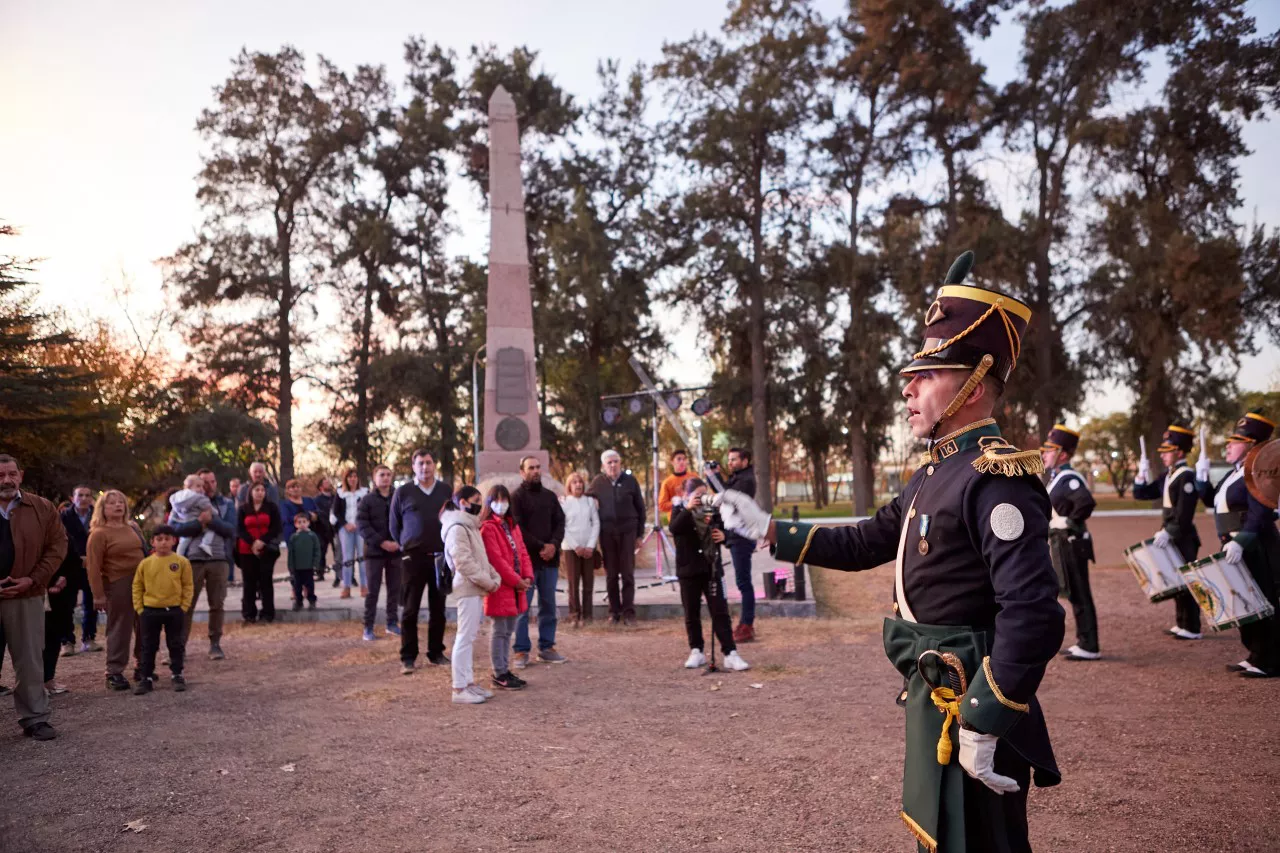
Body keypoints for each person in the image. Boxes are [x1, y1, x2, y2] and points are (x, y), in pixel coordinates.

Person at [716, 253, 1065, 851]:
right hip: (941, 697)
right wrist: (770, 530)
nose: (908, 387)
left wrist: (985, 717)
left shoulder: (994, 478)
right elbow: (866, 540)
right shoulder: (938, 470)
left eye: (928, 375)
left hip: (975, 702)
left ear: (975, 386)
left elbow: (1032, 613)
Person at [1197, 410, 1280, 677]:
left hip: (1254, 544)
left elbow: (1261, 513)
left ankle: (1270, 660)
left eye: (1235, 441)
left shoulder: (1258, 473)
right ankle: (1255, 654)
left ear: (1253, 445)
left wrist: (1241, 541)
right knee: (1243, 601)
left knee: (1262, 600)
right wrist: (1201, 479)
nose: (1228, 445)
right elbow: (1213, 501)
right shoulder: (1235, 472)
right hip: (1233, 545)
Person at [0, 454, 68, 740]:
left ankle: (35, 719)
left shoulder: (41, 507)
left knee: (29, 659)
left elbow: (57, 545)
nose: (6, 480)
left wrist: (34, 578)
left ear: (21, 475)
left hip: (26, 593)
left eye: (12, 474)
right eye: (0, 475)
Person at [669, 478, 749, 672]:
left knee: (720, 611)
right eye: (698, 494)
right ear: (687, 494)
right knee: (691, 612)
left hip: (711, 569)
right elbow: (675, 529)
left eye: (705, 494)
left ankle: (730, 653)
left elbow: (729, 528)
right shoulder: (680, 511)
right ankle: (696, 650)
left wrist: (725, 536)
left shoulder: (714, 510)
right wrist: (688, 508)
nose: (703, 498)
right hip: (688, 570)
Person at [1133, 424, 1202, 640]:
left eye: (1167, 452)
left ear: (1179, 452)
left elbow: (1184, 514)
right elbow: (1143, 494)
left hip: (1183, 537)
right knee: (1176, 579)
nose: (1163, 456)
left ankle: (1192, 627)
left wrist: (1168, 532)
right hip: (1172, 536)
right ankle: (1181, 622)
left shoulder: (1186, 476)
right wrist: (1140, 475)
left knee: (1187, 582)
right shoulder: (1169, 475)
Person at [1041, 425, 1100, 662]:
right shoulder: (1057, 478)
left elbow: (1085, 503)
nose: (1044, 454)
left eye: (1049, 450)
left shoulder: (1069, 478)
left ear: (1062, 454)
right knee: (1074, 593)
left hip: (1072, 543)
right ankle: (1084, 641)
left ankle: (1090, 644)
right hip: (1063, 543)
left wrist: (1070, 521)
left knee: (1080, 593)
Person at [390, 449, 450, 672]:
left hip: (439, 558)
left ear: (434, 465)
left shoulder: (445, 490)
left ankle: (436, 652)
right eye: (420, 463)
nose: (425, 467)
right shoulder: (403, 492)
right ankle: (408, 656)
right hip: (412, 559)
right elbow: (394, 525)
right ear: (413, 467)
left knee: (438, 609)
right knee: (409, 610)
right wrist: (407, 545)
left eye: (428, 462)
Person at [441, 486, 501, 704]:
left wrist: (493, 578)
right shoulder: (458, 528)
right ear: (464, 502)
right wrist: (488, 581)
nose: (480, 503)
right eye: (476, 500)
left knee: (470, 636)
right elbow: (464, 562)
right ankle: (459, 688)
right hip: (467, 586)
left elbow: (481, 559)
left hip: (475, 586)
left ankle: (468, 682)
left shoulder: (471, 527)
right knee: (464, 637)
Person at [170, 468, 234, 661]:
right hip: (192, 560)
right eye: (203, 482)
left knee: (217, 604)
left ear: (216, 482)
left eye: (211, 482)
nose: (207, 486)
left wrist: (210, 521)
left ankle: (215, 644)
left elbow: (230, 529)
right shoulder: (182, 504)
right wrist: (199, 523)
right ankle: (179, 647)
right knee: (186, 604)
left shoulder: (226, 504)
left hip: (218, 559)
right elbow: (175, 528)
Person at [86, 488, 147, 691]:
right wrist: (98, 595)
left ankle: (143, 665)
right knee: (120, 627)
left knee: (145, 624)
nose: (118, 505)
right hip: (117, 583)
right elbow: (93, 567)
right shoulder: (98, 533)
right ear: (102, 508)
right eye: (112, 503)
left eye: (121, 502)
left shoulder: (133, 527)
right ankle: (114, 671)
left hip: (142, 582)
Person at [512, 456, 567, 667]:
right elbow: (518, 529)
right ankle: (521, 651)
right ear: (522, 472)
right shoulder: (516, 497)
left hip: (550, 562)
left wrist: (553, 544)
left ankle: (546, 647)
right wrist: (540, 546)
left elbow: (560, 522)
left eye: (537, 467)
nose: (535, 471)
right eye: (531, 468)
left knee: (548, 605)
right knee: (522, 607)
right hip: (527, 562)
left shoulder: (550, 497)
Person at [481, 485, 532, 691]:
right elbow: (496, 560)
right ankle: (498, 672)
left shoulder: (513, 525)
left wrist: (527, 576)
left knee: (508, 630)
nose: (501, 505)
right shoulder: (488, 528)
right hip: (501, 587)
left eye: (505, 500)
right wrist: (516, 580)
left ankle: (504, 668)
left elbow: (523, 552)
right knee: (499, 630)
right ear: (489, 503)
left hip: (515, 587)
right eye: (497, 500)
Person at [131, 525, 193, 695]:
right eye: (159, 539)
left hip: (174, 610)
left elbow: (188, 586)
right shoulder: (145, 564)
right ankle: (146, 677)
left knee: (176, 643)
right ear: (152, 542)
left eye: (167, 539)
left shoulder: (181, 562)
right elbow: (137, 586)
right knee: (148, 645)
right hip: (150, 610)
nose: (163, 543)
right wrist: (139, 608)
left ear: (174, 541)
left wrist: (184, 606)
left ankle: (177, 674)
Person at [588, 450, 646, 625]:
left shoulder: (630, 481)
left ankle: (629, 612)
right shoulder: (598, 482)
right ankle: (614, 612)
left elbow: (640, 508)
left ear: (620, 463)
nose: (613, 465)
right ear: (603, 466)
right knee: (611, 574)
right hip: (607, 533)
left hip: (628, 532)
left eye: (615, 462)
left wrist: (639, 534)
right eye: (609, 463)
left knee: (627, 573)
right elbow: (585, 501)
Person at [717, 447, 759, 643]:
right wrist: (715, 476)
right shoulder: (739, 478)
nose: (730, 463)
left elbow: (727, 496)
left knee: (744, 582)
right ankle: (746, 623)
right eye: (729, 460)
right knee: (743, 582)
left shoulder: (746, 480)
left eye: (734, 460)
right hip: (736, 535)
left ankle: (747, 625)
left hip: (742, 536)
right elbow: (725, 492)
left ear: (745, 460)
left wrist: (714, 477)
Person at [357, 465, 401, 642]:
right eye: (382, 475)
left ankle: (392, 623)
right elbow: (362, 525)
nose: (385, 478)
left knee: (394, 589)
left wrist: (398, 542)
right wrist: (381, 542)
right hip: (375, 552)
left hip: (396, 551)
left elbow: (406, 520)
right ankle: (368, 626)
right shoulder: (366, 500)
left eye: (388, 475)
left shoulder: (399, 498)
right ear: (374, 478)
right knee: (372, 591)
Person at [59, 485, 101, 655]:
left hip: (92, 565)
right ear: (72, 498)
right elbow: (61, 539)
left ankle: (89, 638)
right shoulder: (63, 517)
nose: (83, 498)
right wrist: (78, 557)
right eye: (80, 495)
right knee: (66, 604)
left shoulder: (98, 516)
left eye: (87, 495)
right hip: (70, 565)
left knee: (92, 603)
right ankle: (67, 641)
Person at [236, 483, 281, 624]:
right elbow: (239, 529)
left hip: (266, 550)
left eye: (262, 490)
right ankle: (249, 614)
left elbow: (276, 527)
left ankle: (267, 614)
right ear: (251, 492)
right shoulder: (243, 508)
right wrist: (252, 543)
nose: (260, 493)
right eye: (257, 490)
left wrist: (262, 541)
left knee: (265, 582)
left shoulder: (271, 508)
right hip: (246, 550)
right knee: (249, 583)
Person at [560, 471, 600, 627]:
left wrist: (590, 545)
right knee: (573, 583)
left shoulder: (589, 502)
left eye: (580, 482)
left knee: (588, 582)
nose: (578, 484)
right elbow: (562, 527)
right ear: (569, 485)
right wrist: (575, 546)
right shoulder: (564, 503)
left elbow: (595, 523)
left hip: (588, 547)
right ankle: (574, 615)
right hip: (571, 548)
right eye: (574, 482)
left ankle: (588, 616)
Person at [331, 469, 367, 598]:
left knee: (363, 557)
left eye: (355, 476)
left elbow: (366, 510)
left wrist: (358, 523)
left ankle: (364, 586)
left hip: (360, 527)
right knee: (347, 558)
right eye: (350, 477)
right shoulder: (340, 493)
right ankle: (346, 587)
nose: (352, 479)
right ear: (346, 479)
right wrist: (345, 524)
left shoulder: (364, 492)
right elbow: (336, 511)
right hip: (345, 528)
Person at [169, 473, 219, 558]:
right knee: (211, 530)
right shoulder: (199, 498)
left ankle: (179, 557)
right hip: (196, 522)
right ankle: (205, 543)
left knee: (183, 542)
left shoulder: (176, 498)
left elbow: (171, 521)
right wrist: (215, 512)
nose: (201, 489)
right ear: (189, 486)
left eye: (202, 486)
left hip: (183, 522)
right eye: (198, 486)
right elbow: (209, 508)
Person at [287, 512, 321, 611]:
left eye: (304, 522)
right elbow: (291, 553)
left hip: (309, 566)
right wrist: (291, 566)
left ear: (308, 523)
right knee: (297, 586)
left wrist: (315, 563)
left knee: (310, 585)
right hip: (297, 567)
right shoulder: (294, 537)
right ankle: (298, 602)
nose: (302, 524)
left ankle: (312, 601)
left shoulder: (312, 536)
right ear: (295, 524)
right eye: (299, 522)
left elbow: (317, 550)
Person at [657, 450, 695, 521]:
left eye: (684, 459)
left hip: (694, 517)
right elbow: (662, 505)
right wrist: (679, 502)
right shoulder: (667, 482)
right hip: (677, 520)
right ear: (672, 462)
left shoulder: (694, 477)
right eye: (679, 459)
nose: (682, 462)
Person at [313, 476, 337, 583]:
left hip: (334, 529)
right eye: (326, 482)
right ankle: (320, 573)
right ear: (321, 486)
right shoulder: (316, 500)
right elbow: (318, 514)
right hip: (321, 529)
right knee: (321, 552)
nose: (329, 484)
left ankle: (339, 574)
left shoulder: (335, 497)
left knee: (338, 552)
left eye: (329, 482)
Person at [226, 478, 241, 584]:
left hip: (242, 531)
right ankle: (230, 578)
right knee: (229, 555)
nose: (235, 488)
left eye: (237, 486)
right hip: (231, 532)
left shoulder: (245, 498)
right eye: (233, 486)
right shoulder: (226, 501)